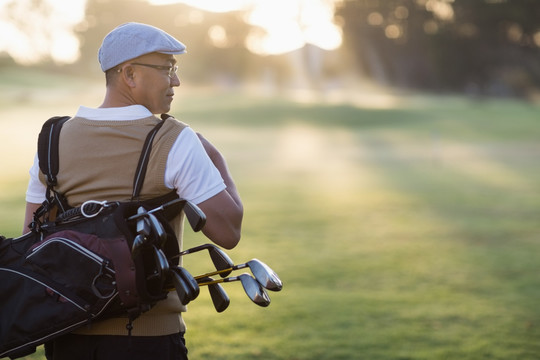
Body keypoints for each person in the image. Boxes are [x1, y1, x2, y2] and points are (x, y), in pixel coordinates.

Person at [23, 22, 243, 360]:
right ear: (129, 73)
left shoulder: (51, 140)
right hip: (148, 340)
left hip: (66, 339)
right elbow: (228, 231)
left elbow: (31, 241)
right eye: (168, 68)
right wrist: (216, 157)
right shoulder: (175, 140)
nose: (176, 81)